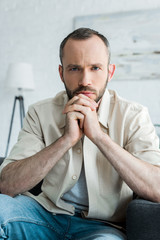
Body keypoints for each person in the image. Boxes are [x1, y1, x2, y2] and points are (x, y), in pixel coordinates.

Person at [0, 27, 160, 240]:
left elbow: (157, 188)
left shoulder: (134, 115)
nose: (85, 80)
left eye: (95, 68)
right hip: (43, 215)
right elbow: (7, 185)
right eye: (74, 68)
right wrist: (66, 140)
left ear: (110, 72)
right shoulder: (39, 112)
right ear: (61, 73)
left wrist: (99, 137)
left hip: (103, 227)